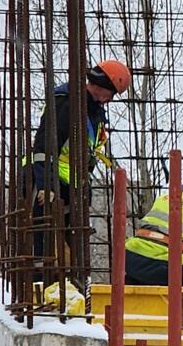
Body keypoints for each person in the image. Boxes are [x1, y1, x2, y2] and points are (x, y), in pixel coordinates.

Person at [23, 60, 130, 254]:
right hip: (45, 182)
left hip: (68, 188)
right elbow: (43, 146)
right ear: (101, 86)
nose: (111, 99)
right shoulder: (67, 102)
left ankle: (69, 282)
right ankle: (38, 281)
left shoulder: (93, 112)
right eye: (112, 93)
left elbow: (87, 155)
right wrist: (46, 186)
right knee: (43, 249)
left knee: (73, 254)